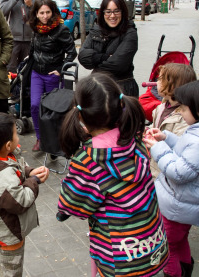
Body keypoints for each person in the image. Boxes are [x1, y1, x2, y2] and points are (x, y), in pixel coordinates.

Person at [57, 73, 168, 277]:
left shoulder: (88, 161)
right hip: (152, 248)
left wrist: (63, 208)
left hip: (119, 261)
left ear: (80, 116)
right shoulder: (135, 140)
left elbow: (73, 204)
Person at [143, 78, 199, 277]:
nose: (180, 112)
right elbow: (189, 154)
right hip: (185, 203)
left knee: (167, 249)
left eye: (184, 109)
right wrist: (167, 138)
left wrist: (158, 148)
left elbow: (179, 172)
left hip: (177, 207)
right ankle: (185, 271)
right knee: (179, 243)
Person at [0, 112, 49, 276]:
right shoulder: (4, 179)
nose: (19, 138)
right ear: (8, 145)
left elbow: (14, 166)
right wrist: (34, 181)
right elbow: (20, 202)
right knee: (11, 270)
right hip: (7, 232)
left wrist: (29, 172)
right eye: (16, 134)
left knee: (4, 267)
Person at [27, 0, 77, 152]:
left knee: (51, 109)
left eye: (48, 12)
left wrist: (60, 70)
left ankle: (53, 140)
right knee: (35, 105)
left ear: (53, 12)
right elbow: (34, 49)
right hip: (36, 72)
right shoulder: (35, 28)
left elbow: (72, 52)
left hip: (52, 74)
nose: (45, 16)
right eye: (41, 12)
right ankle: (40, 138)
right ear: (36, 14)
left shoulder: (61, 30)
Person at [79, 0, 139, 97]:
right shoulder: (96, 30)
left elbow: (118, 65)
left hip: (122, 88)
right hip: (97, 87)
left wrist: (95, 62)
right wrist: (104, 57)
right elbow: (82, 56)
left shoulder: (130, 33)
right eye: (108, 12)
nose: (112, 16)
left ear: (123, 12)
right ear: (103, 13)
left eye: (116, 11)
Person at [149, 63, 196, 178]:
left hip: (168, 171)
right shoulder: (162, 106)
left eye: (160, 79)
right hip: (154, 165)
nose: (157, 81)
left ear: (173, 85)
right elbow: (157, 126)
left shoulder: (184, 117)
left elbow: (180, 146)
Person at [0, 0, 34, 73]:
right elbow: (2, 12)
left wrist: (30, 6)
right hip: (13, 40)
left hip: (28, 40)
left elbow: (38, 18)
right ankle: (11, 89)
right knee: (10, 69)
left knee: (26, 69)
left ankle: (22, 89)